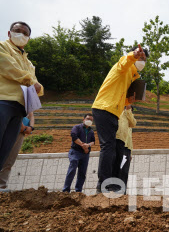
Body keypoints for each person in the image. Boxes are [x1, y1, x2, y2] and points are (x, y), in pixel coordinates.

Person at [0, 21, 43, 189]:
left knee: (4, 151)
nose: (21, 35)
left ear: (28, 38)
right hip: (1, 100)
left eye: (25, 33)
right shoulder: (0, 47)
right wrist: (29, 80)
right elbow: (8, 67)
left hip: (19, 107)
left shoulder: (28, 62)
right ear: (9, 33)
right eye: (17, 31)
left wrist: (36, 86)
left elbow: (36, 84)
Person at [92, 44, 148, 193]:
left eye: (144, 59)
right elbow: (124, 62)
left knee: (112, 149)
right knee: (108, 147)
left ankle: (109, 184)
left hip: (113, 111)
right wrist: (133, 55)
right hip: (104, 107)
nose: (142, 61)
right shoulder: (124, 65)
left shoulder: (133, 76)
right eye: (140, 57)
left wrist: (131, 100)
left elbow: (123, 100)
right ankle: (103, 184)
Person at [0, 112, 35, 190]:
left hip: (20, 131)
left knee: (9, 160)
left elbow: (31, 114)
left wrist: (30, 127)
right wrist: (24, 127)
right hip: (8, 128)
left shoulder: (27, 101)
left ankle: (1, 186)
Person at [62, 114, 95, 192]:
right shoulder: (77, 127)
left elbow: (93, 141)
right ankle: (66, 191)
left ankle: (78, 191)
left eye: (91, 120)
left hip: (85, 154)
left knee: (82, 173)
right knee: (72, 170)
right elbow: (74, 137)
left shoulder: (91, 131)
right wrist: (83, 145)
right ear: (83, 119)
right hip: (75, 152)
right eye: (88, 119)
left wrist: (88, 145)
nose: (89, 121)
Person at [113, 105, 137, 194]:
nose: (130, 112)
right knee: (117, 168)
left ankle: (122, 191)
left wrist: (131, 153)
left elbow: (130, 138)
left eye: (131, 111)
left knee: (124, 171)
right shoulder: (120, 117)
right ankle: (114, 188)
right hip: (119, 145)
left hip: (127, 149)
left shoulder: (130, 122)